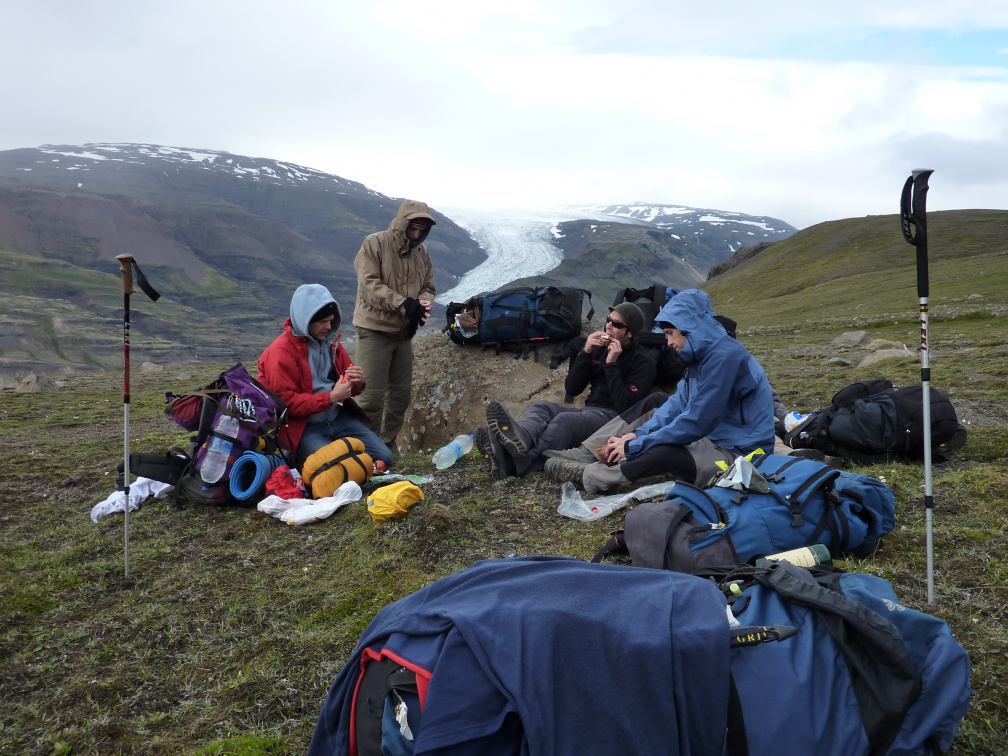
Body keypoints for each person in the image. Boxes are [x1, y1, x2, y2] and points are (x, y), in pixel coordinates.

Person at [545, 289, 775, 493]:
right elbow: (677, 404)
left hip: (738, 454)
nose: (668, 342)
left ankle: (591, 476)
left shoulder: (725, 358)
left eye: (670, 333)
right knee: (655, 404)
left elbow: (696, 422)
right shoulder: (700, 357)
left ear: (690, 328)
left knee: (663, 452)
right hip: (711, 437)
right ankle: (590, 452)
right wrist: (638, 435)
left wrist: (635, 446)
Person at [477, 302, 657, 479]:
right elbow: (572, 388)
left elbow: (626, 406)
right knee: (541, 407)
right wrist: (586, 352)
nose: (608, 326)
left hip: (613, 419)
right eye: (608, 320)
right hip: (588, 411)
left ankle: (515, 465)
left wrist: (611, 365)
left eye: (616, 324)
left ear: (630, 332)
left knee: (565, 421)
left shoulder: (643, 362)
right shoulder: (600, 348)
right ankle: (522, 438)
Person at [258, 283, 393, 472]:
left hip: (337, 419)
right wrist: (331, 397)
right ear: (306, 320)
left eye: (330, 321)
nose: (328, 327)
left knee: (384, 456)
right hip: (305, 427)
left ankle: (330, 455)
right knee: (338, 469)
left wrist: (358, 383)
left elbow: (348, 384)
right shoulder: (280, 352)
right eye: (322, 322)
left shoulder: (330, 342)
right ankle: (300, 458)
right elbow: (286, 404)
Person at [352, 200, 437, 455]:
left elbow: (428, 286)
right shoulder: (374, 243)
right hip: (374, 330)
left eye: (422, 230)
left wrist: (424, 301)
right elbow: (369, 285)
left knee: (400, 397)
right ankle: (363, 451)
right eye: (414, 228)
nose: (417, 234)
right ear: (403, 224)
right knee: (370, 398)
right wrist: (402, 303)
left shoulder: (422, 252)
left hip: (403, 333)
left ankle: (386, 448)